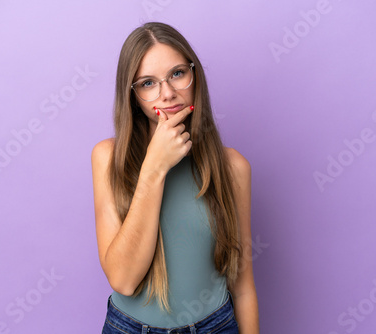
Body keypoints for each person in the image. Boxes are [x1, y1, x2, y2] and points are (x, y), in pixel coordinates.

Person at [91, 22, 259, 334]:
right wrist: (155, 167)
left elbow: (244, 287)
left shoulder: (233, 167)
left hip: (216, 326)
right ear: (133, 95)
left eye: (178, 73)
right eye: (148, 83)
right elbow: (123, 280)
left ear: (195, 76)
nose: (167, 94)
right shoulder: (107, 158)